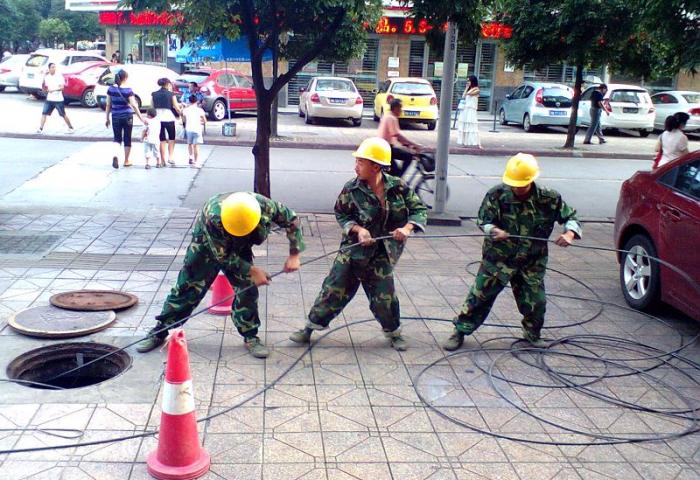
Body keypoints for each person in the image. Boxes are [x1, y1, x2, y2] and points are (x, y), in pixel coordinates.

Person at [289, 137, 428, 351]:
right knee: (333, 290)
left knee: (385, 297)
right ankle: (309, 329)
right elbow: (341, 214)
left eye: (361, 162)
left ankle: (394, 333)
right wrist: (359, 230)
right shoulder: (351, 189)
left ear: (375, 166)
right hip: (353, 252)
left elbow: (419, 210)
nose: (356, 166)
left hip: (381, 253)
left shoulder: (397, 187)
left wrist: (407, 229)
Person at [136, 192, 305, 358]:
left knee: (247, 289)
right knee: (188, 287)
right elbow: (223, 256)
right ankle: (160, 331)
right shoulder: (213, 217)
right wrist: (253, 271)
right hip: (206, 245)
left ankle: (250, 336)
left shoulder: (265, 206)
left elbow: (292, 220)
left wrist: (294, 254)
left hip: (240, 245)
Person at [443, 153, 582, 351]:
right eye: (514, 184)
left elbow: (571, 217)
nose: (517, 188)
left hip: (531, 261)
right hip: (499, 259)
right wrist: (494, 230)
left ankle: (532, 334)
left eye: (521, 185)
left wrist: (569, 233)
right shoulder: (497, 195)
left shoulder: (549, 198)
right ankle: (460, 330)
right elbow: (483, 220)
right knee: (479, 296)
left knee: (536, 302)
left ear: (531, 180)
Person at [105, 69, 144, 168]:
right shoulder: (128, 90)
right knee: (127, 138)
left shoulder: (111, 89)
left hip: (115, 116)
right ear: (125, 78)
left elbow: (108, 104)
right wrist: (141, 118)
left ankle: (115, 155)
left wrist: (107, 118)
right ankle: (126, 160)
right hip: (127, 116)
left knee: (117, 138)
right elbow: (134, 105)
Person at [377, 98, 423, 179]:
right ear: (395, 108)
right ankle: (398, 181)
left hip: (383, 147)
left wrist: (408, 145)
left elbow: (397, 137)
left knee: (396, 168)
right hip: (386, 148)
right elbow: (397, 135)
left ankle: (396, 180)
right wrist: (414, 145)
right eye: (400, 108)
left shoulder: (387, 116)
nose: (401, 111)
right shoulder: (392, 118)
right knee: (408, 157)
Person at [37, 63, 74, 134]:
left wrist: (53, 90)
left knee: (63, 114)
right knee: (44, 113)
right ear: (49, 69)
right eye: (52, 67)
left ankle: (70, 127)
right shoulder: (47, 77)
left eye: (54, 67)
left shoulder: (59, 76)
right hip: (49, 99)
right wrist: (44, 76)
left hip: (58, 99)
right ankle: (40, 129)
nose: (54, 69)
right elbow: (44, 86)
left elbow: (62, 88)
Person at [152, 78, 181, 166]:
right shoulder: (171, 94)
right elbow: (176, 107)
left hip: (158, 118)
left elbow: (151, 107)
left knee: (162, 139)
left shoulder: (154, 94)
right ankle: (171, 157)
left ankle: (162, 160)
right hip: (168, 117)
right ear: (168, 84)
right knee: (171, 138)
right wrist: (180, 115)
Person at [182, 94, 207, 167]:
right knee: (196, 146)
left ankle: (191, 157)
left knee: (189, 144)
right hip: (197, 129)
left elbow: (183, 119)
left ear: (189, 101)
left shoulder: (186, 110)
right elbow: (205, 121)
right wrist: (201, 122)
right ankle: (196, 162)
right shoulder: (200, 110)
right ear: (197, 101)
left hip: (188, 129)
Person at [457, 75, 481, 147]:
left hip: (471, 109)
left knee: (471, 125)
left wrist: (468, 89)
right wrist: (466, 87)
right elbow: (463, 96)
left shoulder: (477, 89)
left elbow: (470, 94)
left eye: (469, 81)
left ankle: (473, 142)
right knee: (464, 125)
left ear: (472, 81)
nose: (467, 82)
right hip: (466, 109)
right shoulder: (469, 89)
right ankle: (465, 142)